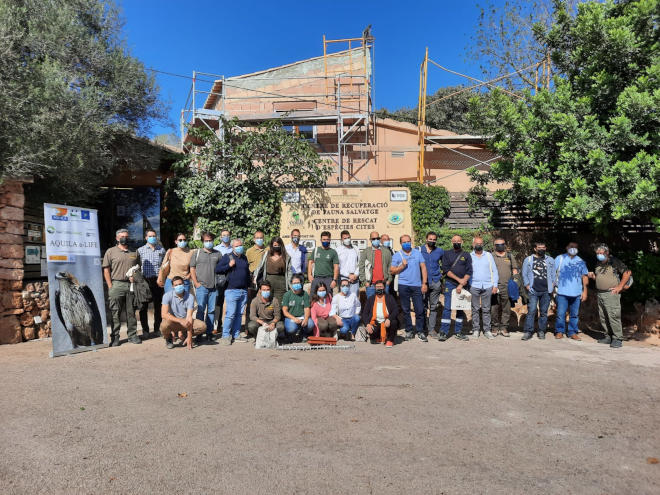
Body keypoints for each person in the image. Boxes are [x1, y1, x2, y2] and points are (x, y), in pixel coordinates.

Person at [102, 228, 141, 346]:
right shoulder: (110, 251)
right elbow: (106, 270)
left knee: (131, 312)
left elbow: (138, 267)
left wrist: (136, 277)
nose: (125, 238)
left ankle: (132, 336)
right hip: (116, 284)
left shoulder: (134, 252)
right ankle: (115, 337)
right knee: (115, 313)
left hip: (131, 285)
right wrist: (110, 285)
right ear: (117, 238)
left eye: (126, 236)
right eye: (122, 236)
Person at [589, 244, 631, 349]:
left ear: (607, 252)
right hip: (600, 293)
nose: (599, 255)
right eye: (597, 253)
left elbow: (627, 272)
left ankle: (617, 338)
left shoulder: (614, 261)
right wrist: (593, 276)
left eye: (601, 253)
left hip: (611, 293)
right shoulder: (598, 263)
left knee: (613, 316)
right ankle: (608, 336)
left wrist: (620, 287)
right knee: (603, 317)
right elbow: (600, 278)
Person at [391, 234, 428, 341]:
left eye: (408, 241)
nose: (407, 243)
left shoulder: (418, 253)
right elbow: (392, 270)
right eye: (404, 242)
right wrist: (402, 266)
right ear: (400, 243)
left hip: (417, 285)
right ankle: (409, 330)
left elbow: (423, 268)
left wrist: (424, 283)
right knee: (406, 309)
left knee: (419, 309)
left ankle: (420, 331)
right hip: (403, 285)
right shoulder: (397, 255)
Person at [215, 238, 250, 345]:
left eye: (240, 245)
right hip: (231, 290)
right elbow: (217, 269)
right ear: (233, 247)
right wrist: (229, 265)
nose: (239, 247)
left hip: (243, 290)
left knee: (239, 314)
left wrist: (248, 286)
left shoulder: (244, 257)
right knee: (230, 314)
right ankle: (225, 336)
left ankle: (236, 334)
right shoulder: (228, 257)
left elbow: (247, 273)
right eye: (237, 246)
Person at [190, 231, 222, 341]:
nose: (208, 242)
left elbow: (221, 269)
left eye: (210, 240)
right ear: (203, 242)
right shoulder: (197, 253)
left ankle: (209, 332)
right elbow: (192, 268)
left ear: (213, 241)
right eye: (206, 241)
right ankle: (199, 333)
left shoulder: (218, 254)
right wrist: (196, 283)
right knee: (200, 310)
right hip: (201, 287)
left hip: (214, 288)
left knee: (212, 311)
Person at [439, 235, 472, 341]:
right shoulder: (447, 254)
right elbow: (446, 270)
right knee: (447, 308)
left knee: (460, 308)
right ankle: (444, 332)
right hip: (450, 284)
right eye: (454, 241)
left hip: (463, 285)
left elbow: (469, 271)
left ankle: (458, 332)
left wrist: (462, 284)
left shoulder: (466, 255)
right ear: (451, 242)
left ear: (462, 242)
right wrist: (459, 281)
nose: (456, 242)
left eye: (458, 241)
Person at [554, 241, 588, 340]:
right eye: (571, 246)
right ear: (566, 247)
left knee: (574, 315)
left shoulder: (580, 261)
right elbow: (552, 273)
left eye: (575, 247)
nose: (573, 248)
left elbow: (585, 276)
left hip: (576, 293)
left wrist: (585, 291)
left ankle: (572, 332)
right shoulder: (559, 258)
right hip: (561, 292)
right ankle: (559, 331)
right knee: (560, 314)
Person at [521, 241, 556, 340]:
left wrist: (553, 284)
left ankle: (541, 331)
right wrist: (527, 285)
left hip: (546, 290)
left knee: (544, 312)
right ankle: (528, 331)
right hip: (533, 290)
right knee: (531, 311)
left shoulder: (550, 260)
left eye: (543, 247)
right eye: (539, 247)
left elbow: (554, 274)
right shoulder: (528, 260)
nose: (542, 249)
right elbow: (524, 274)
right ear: (535, 249)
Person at [160, 276, 206, 349]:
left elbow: (189, 317)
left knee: (202, 326)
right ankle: (168, 338)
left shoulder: (190, 297)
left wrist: (189, 336)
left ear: (184, 284)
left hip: (185, 322)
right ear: (172, 286)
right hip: (173, 321)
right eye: (176, 285)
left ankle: (185, 335)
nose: (179, 286)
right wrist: (180, 320)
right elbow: (164, 314)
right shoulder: (167, 296)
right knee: (164, 326)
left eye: (180, 284)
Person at [137, 229, 165, 339]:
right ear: (146, 238)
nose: (153, 237)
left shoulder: (161, 250)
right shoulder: (140, 250)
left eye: (154, 235)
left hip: (158, 281)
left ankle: (157, 329)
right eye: (150, 236)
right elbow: (137, 266)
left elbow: (164, 265)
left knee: (158, 306)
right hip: (145, 282)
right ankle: (145, 330)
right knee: (143, 307)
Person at [469, 236, 499, 339]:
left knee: (486, 309)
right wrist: (469, 285)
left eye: (481, 243)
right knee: (475, 309)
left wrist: (495, 285)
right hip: (474, 286)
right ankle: (476, 330)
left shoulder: (488, 255)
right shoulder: (469, 256)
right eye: (477, 243)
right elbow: (467, 272)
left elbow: (494, 271)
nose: (479, 245)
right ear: (473, 244)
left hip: (487, 286)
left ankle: (487, 330)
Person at [491, 237, 519, 337]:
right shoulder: (491, 256)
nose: (500, 246)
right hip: (494, 287)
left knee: (506, 308)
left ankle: (504, 328)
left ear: (505, 245)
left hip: (507, 287)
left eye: (502, 244)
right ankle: (494, 327)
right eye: (498, 244)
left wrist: (515, 281)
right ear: (494, 246)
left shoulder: (510, 256)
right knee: (494, 308)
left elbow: (514, 269)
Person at [418, 231, 444, 337]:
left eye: (434, 239)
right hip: (423, 283)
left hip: (435, 282)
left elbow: (445, 264)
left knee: (433, 307)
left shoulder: (440, 251)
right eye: (430, 239)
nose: (432, 241)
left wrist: (441, 276)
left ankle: (431, 329)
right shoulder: (419, 250)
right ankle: (423, 329)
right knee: (422, 307)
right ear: (426, 239)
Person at [362, 280, 399, 348]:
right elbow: (364, 313)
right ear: (375, 288)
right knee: (373, 340)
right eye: (377, 287)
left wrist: (389, 319)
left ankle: (390, 340)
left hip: (386, 322)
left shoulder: (389, 297)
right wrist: (367, 324)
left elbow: (396, 310)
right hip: (375, 322)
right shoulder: (371, 299)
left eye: (381, 287)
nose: (379, 288)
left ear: (384, 288)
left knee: (394, 322)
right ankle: (379, 337)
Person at [254, 237, 291, 303]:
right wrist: (255, 277)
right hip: (268, 281)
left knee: (279, 303)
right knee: (268, 302)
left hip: (281, 283)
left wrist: (290, 284)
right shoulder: (266, 254)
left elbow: (289, 271)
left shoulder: (286, 256)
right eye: (275, 245)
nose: (277, 247)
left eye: (278, 245)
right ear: (271, 245)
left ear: (281, 245)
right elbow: (260, 267)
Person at [359, 230, 393, 299]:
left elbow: (390, 266)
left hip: (384, 284)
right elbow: (361, 266)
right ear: (370, 240)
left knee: (384, 304)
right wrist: (365, 281)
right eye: (374, 239)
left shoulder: (386, 251)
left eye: (377, 238)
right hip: (371, 285)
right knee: (372, 305)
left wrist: (389, 280)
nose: (376, 240)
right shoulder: (366, 251)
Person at [281, 274, 312, 343]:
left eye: (298, 283)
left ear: (301, 283)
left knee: (310, 324)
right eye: (294, 283)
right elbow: (285, 311)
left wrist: (306, 319)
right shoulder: (287, 295)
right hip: (291, 317)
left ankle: (304, 333)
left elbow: (307, 308)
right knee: (291, 328)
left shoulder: (305, 294)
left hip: (302, 317)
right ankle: (290, 335)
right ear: (291, 284)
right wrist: (294, 318)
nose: (296, 284)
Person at [213, 229, 233, 332]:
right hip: (220, 280)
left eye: (227, 235)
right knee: (218, 303)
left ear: (230, 236)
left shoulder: (234, 248)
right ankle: (217, 326)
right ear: (220, 237)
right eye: (223, 235)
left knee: (231, 303)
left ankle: (229, 326)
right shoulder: (215, 249)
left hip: (231, 279)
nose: (226, 237)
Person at [245, 230, 267, 316]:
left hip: (264, 278)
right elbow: (246, 266)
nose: (259, 239)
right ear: (254, 239)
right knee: (251, 301)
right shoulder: (249, 251)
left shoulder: (267, 250)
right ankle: (248, 325)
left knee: (264, 300)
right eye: (257, 238)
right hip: (252, 279)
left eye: (261, 238)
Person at [337, 230, 360, 297]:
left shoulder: (356, 249)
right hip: (343, 278)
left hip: (355, 278)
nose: (347, 239)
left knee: (354, 298)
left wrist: (356, 274)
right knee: (343, 298)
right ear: (341, 239)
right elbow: (337, 266)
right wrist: (348, 275)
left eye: (348, 237)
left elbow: (359, 263)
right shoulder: (338, 250)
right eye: (345, 238)